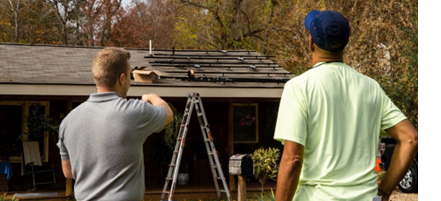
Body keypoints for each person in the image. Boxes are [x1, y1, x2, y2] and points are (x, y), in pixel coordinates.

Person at [274, 10, 418, 201]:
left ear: (311, 43)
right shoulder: (371, 87)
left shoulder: (299, 87)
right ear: (345, 44)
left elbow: (292, 160)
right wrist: (383, 192)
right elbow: (410, 138)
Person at [57, 47, 173, 201]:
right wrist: (151, 96)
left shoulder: (68, 121)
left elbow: (68, 172)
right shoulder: (134, 112)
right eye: (130, 75)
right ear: (121, 79)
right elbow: (168, 114)